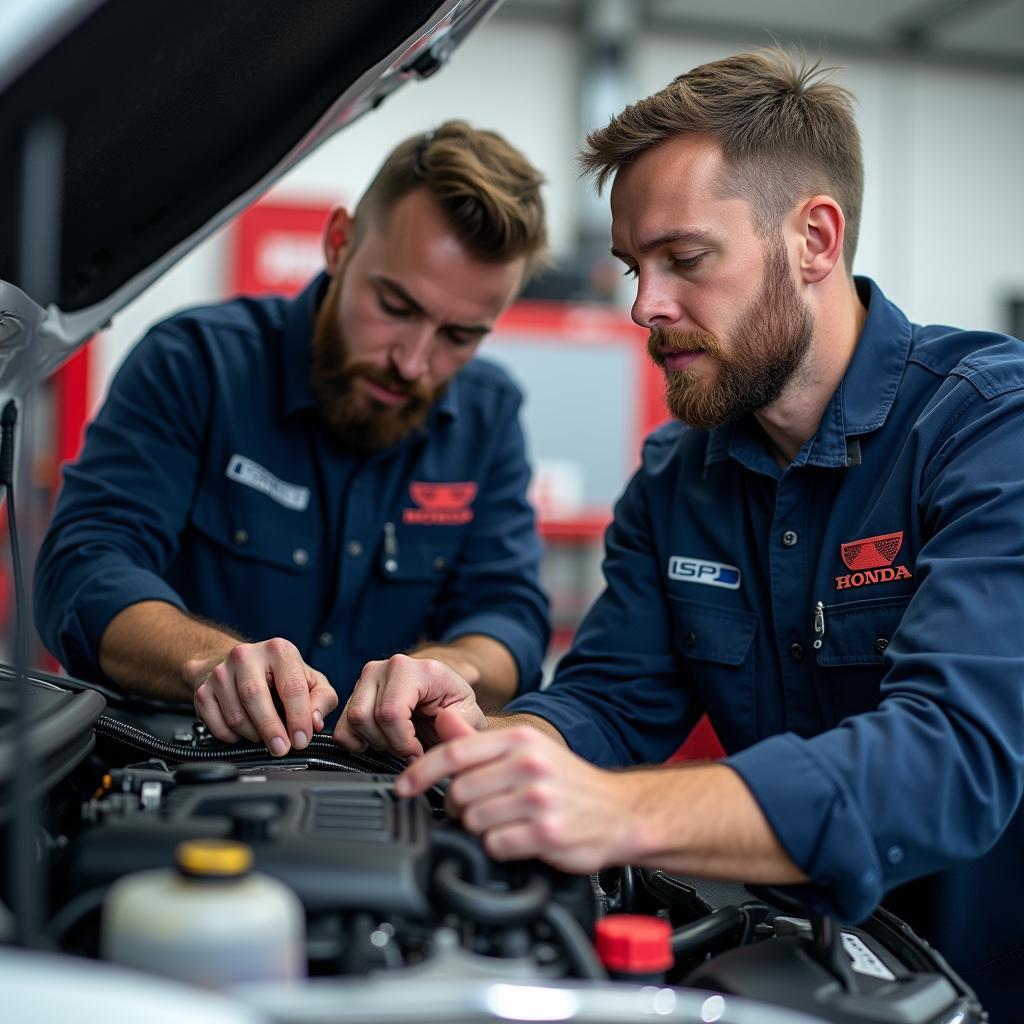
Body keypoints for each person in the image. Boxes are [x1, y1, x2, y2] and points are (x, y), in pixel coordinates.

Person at [335, 53, 1024, 1017]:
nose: (643, 308)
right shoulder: (677, 474)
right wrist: (494, 743)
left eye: (684, 260)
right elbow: (613, 702)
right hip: (785, 978)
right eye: (633, 267)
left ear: (813, 239)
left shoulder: (990, 429)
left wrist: (614, 811)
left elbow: (951, 757)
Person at [34, 120, 551, 760]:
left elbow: (511, 616)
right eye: (395, 305)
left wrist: (451, 668)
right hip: (171, 766)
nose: (413, 363)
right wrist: (207, 660)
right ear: (339, 244)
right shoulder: (196, 364)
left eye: (460, 336)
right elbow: (85, 566)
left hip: (382, 787)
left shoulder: (488, 413)